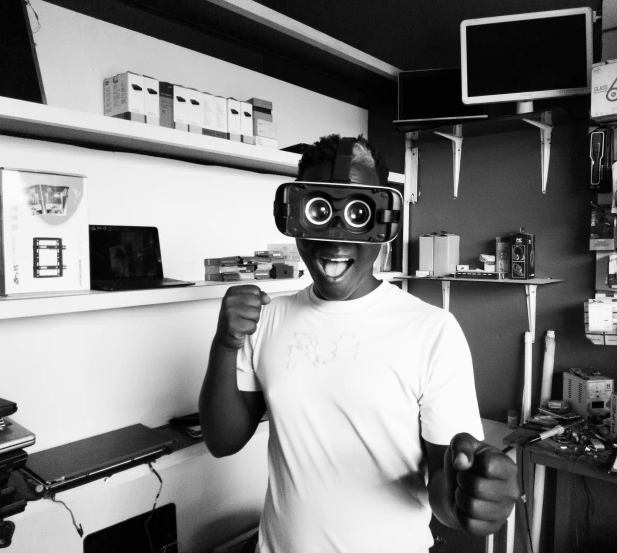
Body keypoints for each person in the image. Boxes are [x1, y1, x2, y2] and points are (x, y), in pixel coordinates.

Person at [199, 134, 520, 553]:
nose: (334, 239)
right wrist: (225, 344)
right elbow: (223, 442)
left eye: (357, 213)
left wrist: (468, 499)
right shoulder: (268, 318)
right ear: (295, 217)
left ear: (382, 224)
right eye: (318, 211)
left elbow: (443, 483)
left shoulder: (431, 331)